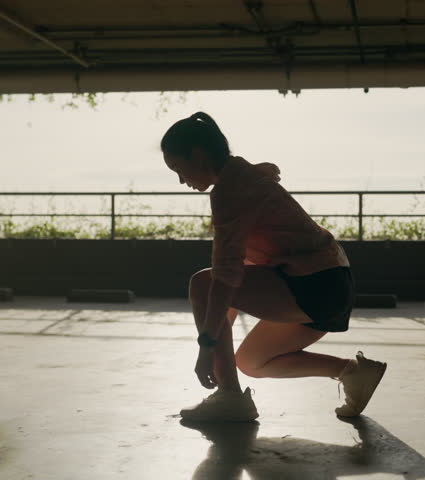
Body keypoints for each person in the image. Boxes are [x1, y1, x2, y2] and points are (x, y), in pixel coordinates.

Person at [161, 111, 387, 422]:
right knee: (252, 361)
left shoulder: (230, 191)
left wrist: (206, 347)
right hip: (328, 283)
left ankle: (230, 399)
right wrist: (215, 338)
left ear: (197, 155)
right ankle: (352, 372)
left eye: (177, 169)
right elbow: (233, 274)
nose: (180, 180)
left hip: (316, 284)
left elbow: (225, 278)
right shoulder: (242, 177)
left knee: (203, 284)